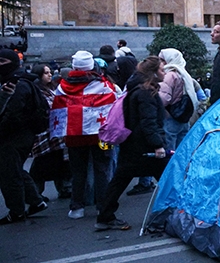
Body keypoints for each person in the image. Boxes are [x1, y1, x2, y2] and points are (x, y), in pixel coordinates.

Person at [96, 57, 169, 231]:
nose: (164, 73)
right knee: (169, 179)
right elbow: (148, 122)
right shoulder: (146, 93)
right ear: (153, 73)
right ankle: (172, 213)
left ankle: (104, 216)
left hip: (132, 145)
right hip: (145, 147)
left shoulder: (135, 89)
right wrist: (158, 145)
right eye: (161, 69)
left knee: (119, 181)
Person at [51, 50, 117, 219]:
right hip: (101, 137)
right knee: (102, 169)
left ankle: (76, 207)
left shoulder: (62, 87)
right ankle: (102, 206)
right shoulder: (103, 85)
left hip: (74, 138)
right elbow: (114, 107)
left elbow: (58, 112)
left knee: (78, 171)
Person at [0, 49, 49, 224]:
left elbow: (12, 113)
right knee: (14, 170)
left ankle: (17, 211)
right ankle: (36, 201)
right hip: (20, 134)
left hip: (14, 136)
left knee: (9, 174)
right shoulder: (21, 81)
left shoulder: (17, 84)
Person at [28, 64, 71, 201]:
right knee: (41, 165)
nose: (50, 75)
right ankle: (35, 194)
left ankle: (64, 188)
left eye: (50, 72)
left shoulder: (52, 89)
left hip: (57, 132)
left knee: (61, 162)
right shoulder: (37, 92)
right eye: (46, 73)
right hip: (44, 132)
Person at [158, 48, 198, 152]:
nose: (160, 63)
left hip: (171, 117)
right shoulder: (184, 73)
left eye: (162, 60)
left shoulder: (169, 75)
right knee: (181, 151)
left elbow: (164, 98)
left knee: (170, 152)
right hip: (184, 117)